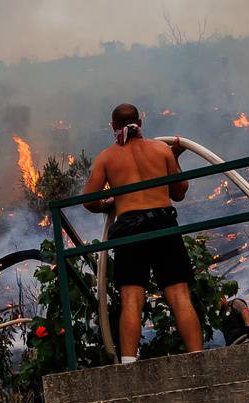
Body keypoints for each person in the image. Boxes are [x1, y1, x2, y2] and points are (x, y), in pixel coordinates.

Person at [81, 103, 204, 363]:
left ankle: (128, 365)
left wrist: (109, 204)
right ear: (140, 121)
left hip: (130, 229)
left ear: (113, 127)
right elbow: (178, 192)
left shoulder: (106, 158)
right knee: (179, 294)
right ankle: (198, 358)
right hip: (163, 224)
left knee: (131, 298)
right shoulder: (162, 150)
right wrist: (175, 157)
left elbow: (89, 201)